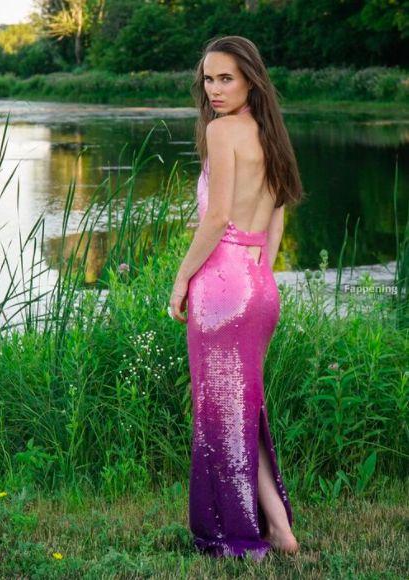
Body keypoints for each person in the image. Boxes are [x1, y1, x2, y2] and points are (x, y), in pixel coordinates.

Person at [168, 35, 303, 561]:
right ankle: (280, 530)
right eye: (208, 78)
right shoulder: (272, 135)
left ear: (251, 79)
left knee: (221, 414)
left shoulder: (222, 131)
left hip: (222, 286)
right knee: (243, 412)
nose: (215, 89)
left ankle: (239, 536)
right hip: (259, 285)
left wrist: (182, 279)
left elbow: (217, 217)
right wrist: (258, 274)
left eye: (226, 78)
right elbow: (276, 218)